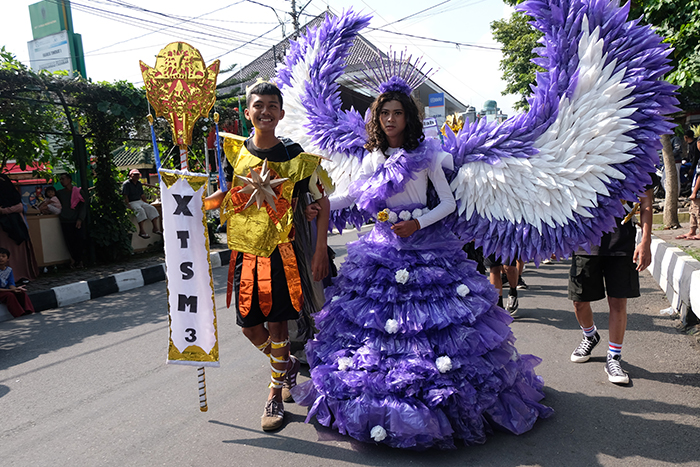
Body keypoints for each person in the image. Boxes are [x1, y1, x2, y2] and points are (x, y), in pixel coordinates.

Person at [291, 87, 552, 450]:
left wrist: (418, 223)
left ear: (408, 117)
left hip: (425, 246)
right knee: (379, 331)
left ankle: (438, 404)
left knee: (431, 327)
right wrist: (322, 205)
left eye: (397, 113)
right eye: (384, 114)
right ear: (377, 119)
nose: (390, 119)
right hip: (382, 247)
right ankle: (386, 406)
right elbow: (352, 195)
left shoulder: (427, 154)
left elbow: (446, 202)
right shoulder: (373, 157)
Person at [204, 81, 330, 431]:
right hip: (244, 253)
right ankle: (286, 365)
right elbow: (227, 193)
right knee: (249, 328)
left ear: (281, 113)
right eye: (258, 105)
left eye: (272, 106)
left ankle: (274, 392)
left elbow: (321, 202)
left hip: (282, 254)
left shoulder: (294, 154)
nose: (265, 111)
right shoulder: (237, 151)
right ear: (248, 113)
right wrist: (191, 205)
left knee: (278, 323)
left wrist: (319, 249)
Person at [568, 177, 656, 384]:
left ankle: (614, 357)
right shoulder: (580, 158)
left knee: (617, 302)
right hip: (586, 243)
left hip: (621, 243)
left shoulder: (637, 162)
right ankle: (590, 336)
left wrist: (645, 242)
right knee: (579, 302)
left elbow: (646, 203)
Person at [0, 174, 38, 281]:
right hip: (17, 227)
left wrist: (3, 211)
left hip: (9, 227)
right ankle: (19, 275)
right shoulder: (14, 196)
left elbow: (21, 207)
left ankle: (9, 277)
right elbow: (21, 207)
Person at [56, 173, 87, 269]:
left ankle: (80, 260)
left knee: (80, 240)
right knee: (69, 242)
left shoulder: (78, 192)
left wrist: (80, 219)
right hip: (65, 220)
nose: (61, 181)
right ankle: (74, 260)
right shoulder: (59, 193)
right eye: (60, 179)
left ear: (69, 179)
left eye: (63, 178)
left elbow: (83, 206)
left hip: (76, 220)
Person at [122, 169, 162, 239]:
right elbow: (125, 195)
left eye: (138, 175)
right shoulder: (126, 184)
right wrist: (127, 204)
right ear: (131, 175)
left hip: (139, 201)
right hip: (132, 202)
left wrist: (146, 202)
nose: (137, 176)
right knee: (140, 210)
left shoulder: (139, 184)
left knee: (151, 208)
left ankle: (155, 228)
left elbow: (142, 195)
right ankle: (142, 231)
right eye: (135, 175)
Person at [676, 137, 700, 240]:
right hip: (695, 188)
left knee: (698, 212)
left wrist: (694, 192)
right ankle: (692, 230)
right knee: (693, 211)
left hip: (698, 191)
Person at [0, 247, 35, 317]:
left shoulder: (9, 270)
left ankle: (29, 310)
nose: (1, 258)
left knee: (21, 292)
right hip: (2, 292)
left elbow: (11, 283)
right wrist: (11, 290)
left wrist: (15, 289)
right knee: (10, 295)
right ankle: (19, 314)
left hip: (7, 290)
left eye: (3, 256)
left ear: (8, 259)